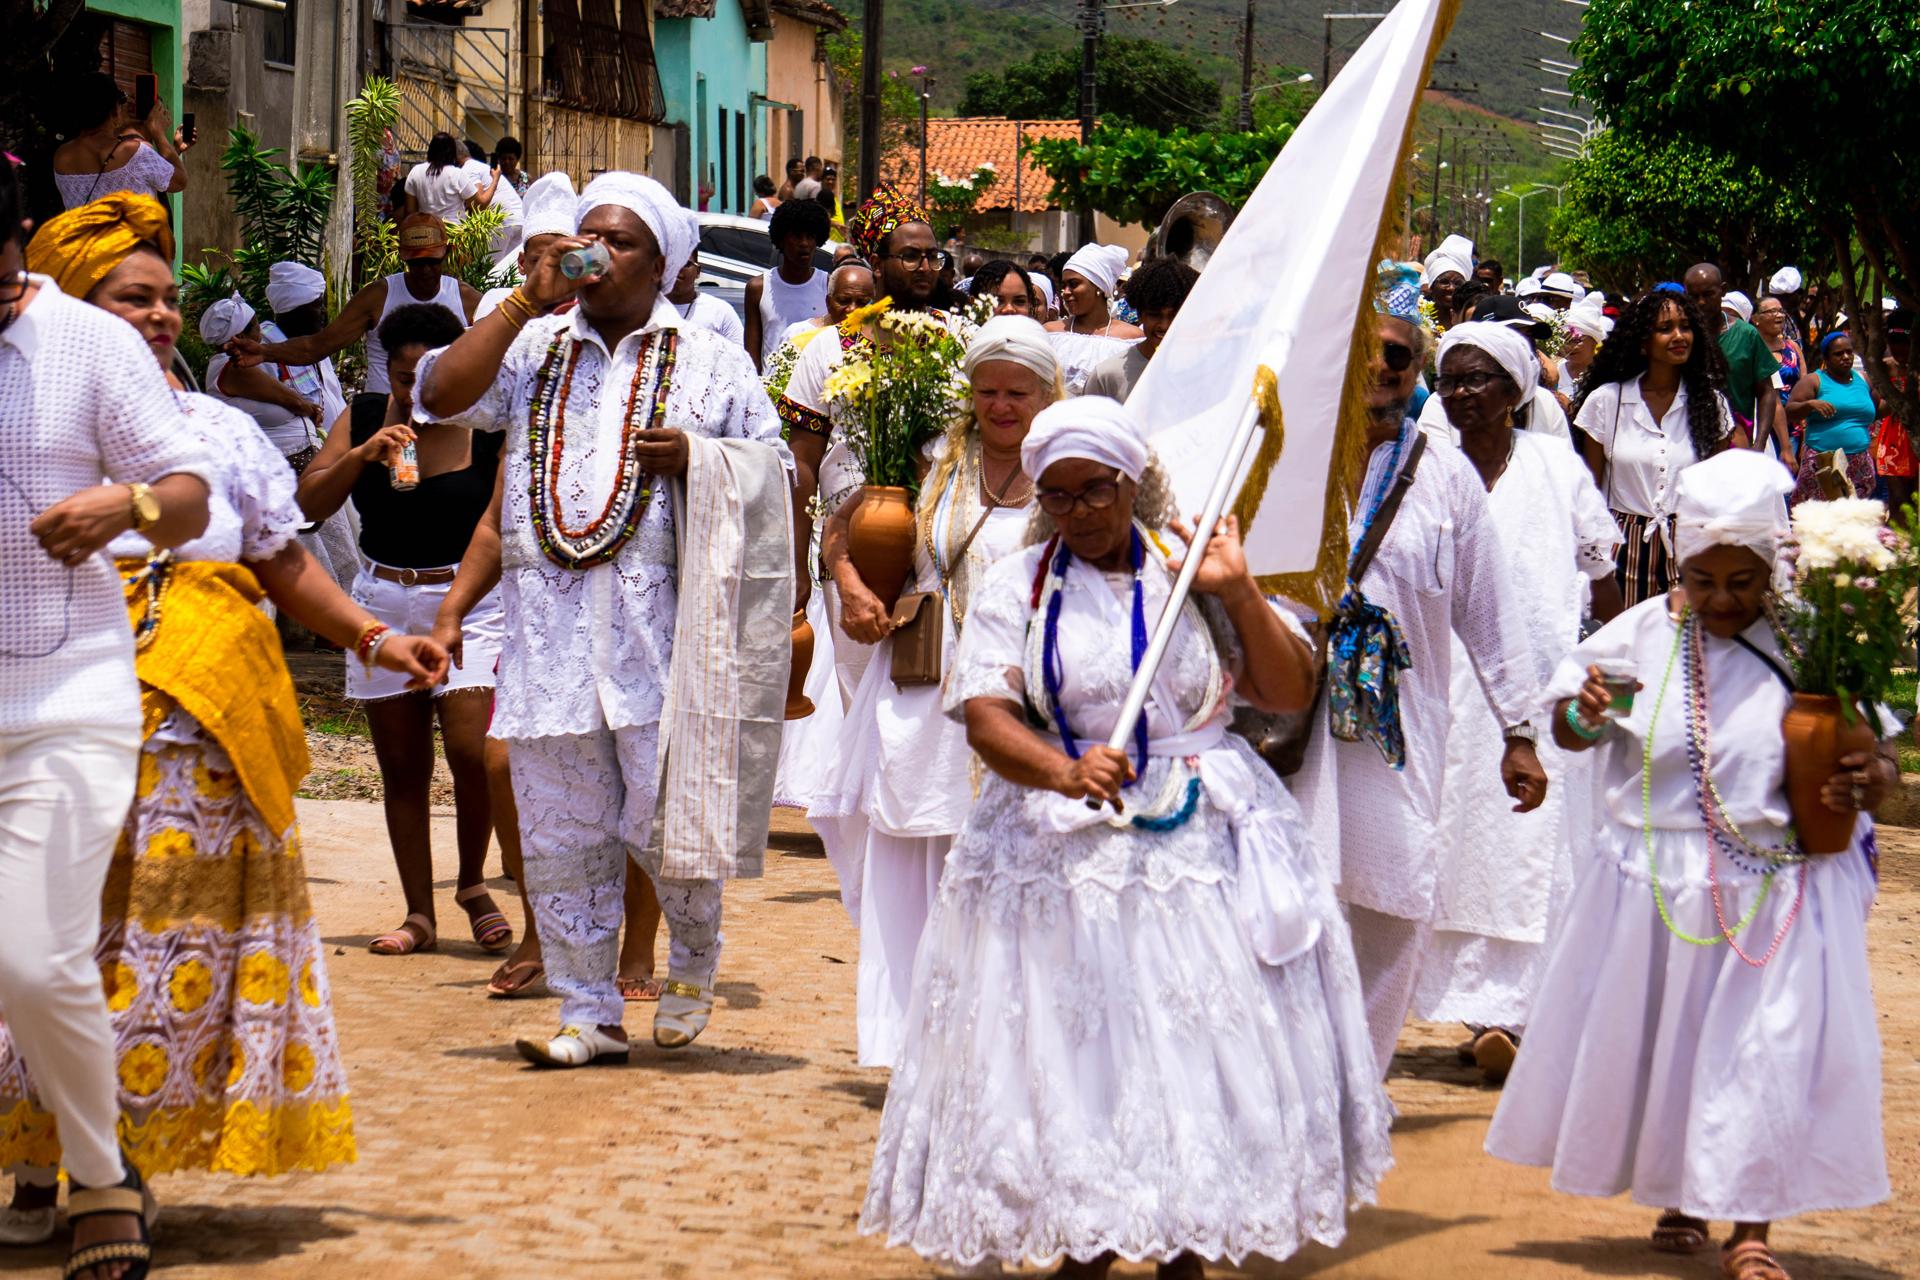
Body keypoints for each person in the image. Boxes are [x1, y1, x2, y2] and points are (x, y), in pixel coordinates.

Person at [9, 194, 451, 1272]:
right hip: (52, 683)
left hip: (194, 733)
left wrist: (372, 637)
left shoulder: (217, 432)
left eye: (167, 298)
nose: (160, 316)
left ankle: (115, 1163)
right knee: (45, 940)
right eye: (133, 298)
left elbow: (280, 557)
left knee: (149, 944)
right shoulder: (31, 400)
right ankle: (35, 1157)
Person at [860, 396, 1394, 1277]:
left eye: (1096, 492)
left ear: (1132, 482)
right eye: (1058, 496)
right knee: (1080, 1052)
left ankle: (1183, 1236)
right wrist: (1063, 769)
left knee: (1187, 1047)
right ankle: (1089, 1231)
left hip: (1197, 847)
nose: (1078, 513)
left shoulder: (1191, 570)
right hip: (1056, 848)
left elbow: (1288, 691)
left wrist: (1238, 592)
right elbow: (986, 716)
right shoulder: (1018, 585)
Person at [416, 171, 793, 1066]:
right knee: (563, 830)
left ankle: (692, 959)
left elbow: (780, 473)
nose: (597, 255)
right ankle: (588, 1011)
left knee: (669, 821)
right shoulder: (533, 346)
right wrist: (523, 298)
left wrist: (700, 458)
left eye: (619, 242)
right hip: (549, 643)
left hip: (663, 643)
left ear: (661, 264)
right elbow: (440, 395)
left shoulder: (711, 359)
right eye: (588, 238)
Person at [1487, 448, 1891, 1280]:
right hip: (1657, 885)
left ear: (1774, 568)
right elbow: (1571, 733)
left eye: (1743, 582)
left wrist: (1870, 775)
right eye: (1704, 581)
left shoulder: (1813, 642)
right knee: (1671, 1047)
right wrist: (1584, 715)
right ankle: (1681, 1191)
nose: (1723, 600)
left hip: (1775, 887)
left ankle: (1751, 1229)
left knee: (1766, 1052)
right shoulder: (1640, 636)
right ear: (1680, 563)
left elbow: (1876, 750)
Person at [0, 177, 212, 1280]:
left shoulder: (90, 344)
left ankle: (98, 1175)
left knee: (35, 962)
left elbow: (190, 494)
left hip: (62, 699)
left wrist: (120, 505)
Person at [1290, 262, 1547, 1079]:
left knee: (1396, 903)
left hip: (1402, 735)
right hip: (1294, 727)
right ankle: (1300, 1082)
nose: (1379, 367)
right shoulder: (1288, 456)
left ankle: (1360, 1080)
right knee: (1295, 901)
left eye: (1397, 355)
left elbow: (1489, 610)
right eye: (1364, 350)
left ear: (1416, 369)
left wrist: (1519, 730)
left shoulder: (1445, 475)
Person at [809, 317, 1054, 1067]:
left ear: (1048, 393)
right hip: (926, 685)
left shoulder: (1065, 466)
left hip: (1025, 688)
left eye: (1017, 393)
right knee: (915, 854)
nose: (1001, 406)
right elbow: (838, 532)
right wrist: (852, 588)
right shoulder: (933, 457)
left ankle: (1001, 1047)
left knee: (1009, 858)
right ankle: (914, 1042)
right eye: (988, 391)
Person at [1410, 321, 1623, 1083]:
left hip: (1537, 686)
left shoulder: (1555, 467)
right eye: (1450, 380)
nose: (1462, 393)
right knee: (1446, 840)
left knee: (1532, 846)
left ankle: (1518, 1015)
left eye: (1479, 379)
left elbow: (1601, 571)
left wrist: (1607, 661)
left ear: (1515, 390)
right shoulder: (1422, 468)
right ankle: (1472, 1011)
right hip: (1439, 686)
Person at [294, 303, 509, 959]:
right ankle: (419, 913)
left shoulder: (488, 428)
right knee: (403, 767)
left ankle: (472, 884)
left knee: (474, 754)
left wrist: (460, 607)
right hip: (383, 600)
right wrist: (361, 455)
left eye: (428, 377)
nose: (415, 391)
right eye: (402, 376)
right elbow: (305, 507)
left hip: (470, 603)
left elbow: (501, 527)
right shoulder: (363, 416)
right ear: (385, 371)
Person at [1572, 290, 1740, 608]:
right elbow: (1590, 491)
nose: (1678, 336)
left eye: (1685, 327)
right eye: (1665, 328)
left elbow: (1716, 491)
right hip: (1621, 550)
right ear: (1642, 341)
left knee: (1681, 638)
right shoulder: (1607, 401)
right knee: (1622, 636)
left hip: (1689, 548)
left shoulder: (1710, 404)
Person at [227, 214, 479, 419]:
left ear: (447, 253)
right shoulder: (377, 297)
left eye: (432, 262)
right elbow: (317, 346)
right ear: (402, 255)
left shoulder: (467, 300)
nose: (424, 271)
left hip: (444, 418)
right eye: (415, 263)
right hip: (384, 417)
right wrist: (265, 352)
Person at [199, 283, 362, 592]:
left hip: (298, 463)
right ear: (240, 336)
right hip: (284, 469)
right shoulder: (233, 368)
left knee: (330, 541)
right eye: (255, 326)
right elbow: (294, 400)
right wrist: (307, 408)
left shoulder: (240, 364)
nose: (261, 330)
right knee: (311, 551)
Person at [1419, 293, 1572, 444]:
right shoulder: (1443, 405)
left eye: (1528, 337)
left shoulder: (1545, 403)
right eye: (1513, 336)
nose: (1523, 347)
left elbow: (1563, 458)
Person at [1686, 262, 1786, 457]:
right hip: (1688, 443)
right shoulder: (1682, 337)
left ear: (1722, 290)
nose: (1701, 302)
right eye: (1693, 296)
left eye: (1708, 294)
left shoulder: (1746, 335)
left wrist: (1759, 444)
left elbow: (1766, 392)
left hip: (1736, 444)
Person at [52, 72, 188, 209]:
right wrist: (158, 132)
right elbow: (180, 181)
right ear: (115, 111)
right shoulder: (136, 153)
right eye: (122, 102)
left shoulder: (62, 156)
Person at [1083, 255, 1198, 401]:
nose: (1164, 325)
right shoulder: (1107, 375)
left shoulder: (1205, 370)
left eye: (1174, 315)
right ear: (1140, 315)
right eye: (1154, 315)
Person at [1786, 330, 1881, 502]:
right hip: (1823, 462)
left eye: (1849, 352)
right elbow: (1790, 411)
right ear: (1826, 358)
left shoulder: (1864, 380)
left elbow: (1877, 410)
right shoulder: (1814, 381)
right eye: (1838, 354)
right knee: (1823, 513)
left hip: (1859, 462)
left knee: (1856, 514)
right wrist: (1810, 404)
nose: (1846, 357)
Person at [475, 171, 577, 320]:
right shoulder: (496, 304)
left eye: (562, 262)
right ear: (522, 263)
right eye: (539, 261)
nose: (550, 271)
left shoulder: (588, 315)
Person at [1045, 243, 1143, 394]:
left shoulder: (1131, 339)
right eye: (1064, 285)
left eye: (1074, 284)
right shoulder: (1051, 333)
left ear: (1099, 287)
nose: (1066, 292)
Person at [745, 197, 830, 370]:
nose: (804, 243)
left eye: (810, 236)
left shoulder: (828, 285)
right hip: (772, 385)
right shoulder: (758, 288)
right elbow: (751, 359)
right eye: (797, 236)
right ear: (781, 240)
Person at [663, 213, 745, 345]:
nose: (678, 269)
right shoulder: (646, 310)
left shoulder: (720, 311)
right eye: (672, 263)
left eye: (686, 264)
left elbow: (740, 354)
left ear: (698, 272)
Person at [1871, 310, 1915, 515]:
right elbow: (1878, 411)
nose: (1899, 348)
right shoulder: (1886, 368)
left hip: (1915, 440)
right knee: (1899, 503)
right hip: (1893, 442)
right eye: (1894, 342)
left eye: (1904, 343)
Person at [1754, 293, 1805, 450]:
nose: (1779, 315)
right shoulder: (1753, 350)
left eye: (1781, 311)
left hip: (1794, 428)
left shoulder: (1793, 347)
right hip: (1763, 428)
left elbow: (1804, 385)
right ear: (1755, 319)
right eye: (1771, 311)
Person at [402, 133, 482, 222]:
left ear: (430, 150)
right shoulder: (457, 174)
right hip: (454, 228)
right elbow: (476, 205)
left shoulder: (415, 171)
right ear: (452, 152)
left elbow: (410, 210)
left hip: (427, 228)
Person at [1422, 233, 1475, 328]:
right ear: (1431, 286)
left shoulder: (1472, 323)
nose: (1451, 288)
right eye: (1444, 282)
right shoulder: (1417, 320)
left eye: (1458, 283)